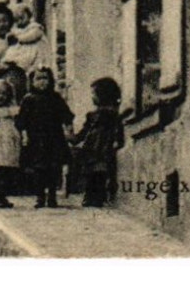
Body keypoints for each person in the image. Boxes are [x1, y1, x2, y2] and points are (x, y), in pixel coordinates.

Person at [17, 66, 74, 208]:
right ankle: (40, 196)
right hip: (36, 139)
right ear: (32, 81)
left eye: (45, 78)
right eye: (38, 78)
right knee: (39, 169)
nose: (42, 82)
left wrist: (68, 129)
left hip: (54, 138)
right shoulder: (28, 99)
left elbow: (66, 115)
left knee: (54, 167)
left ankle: (52, 196)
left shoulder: (55, 97)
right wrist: (24, 135)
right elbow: (22, 120)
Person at [72, 77, 126, 207]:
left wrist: (118, 141)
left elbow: (118, 129)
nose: (92, 97)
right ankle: (90, 195)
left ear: (103, 94)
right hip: (92, 147)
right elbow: (84, 132)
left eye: (94, 93)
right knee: (91, 171)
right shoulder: (92, 115)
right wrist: (74, 138)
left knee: (99, 171)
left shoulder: (112, 114)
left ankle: (97, 196)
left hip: (103, 147)